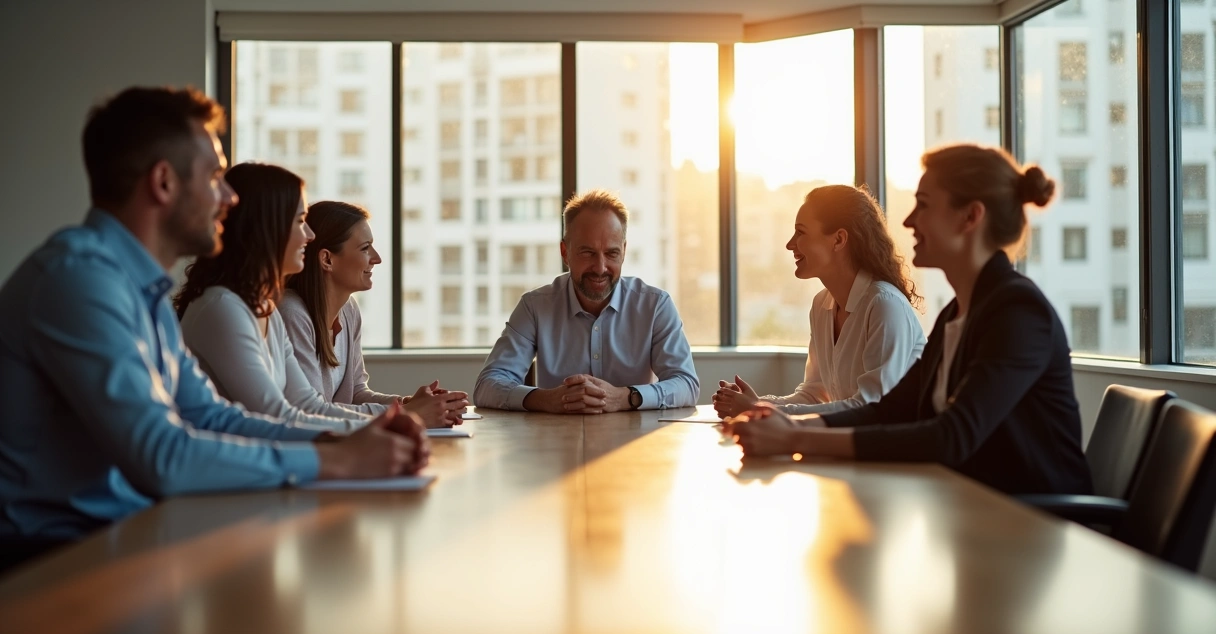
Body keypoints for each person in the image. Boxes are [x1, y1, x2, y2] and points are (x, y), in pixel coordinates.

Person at [0, 87, 428, 543]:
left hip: (117, 532)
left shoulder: (142, 290)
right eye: (214, 177)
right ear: (164, 182)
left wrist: (344, 442)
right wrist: (337, 460)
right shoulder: (79, 281)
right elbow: (162, 456)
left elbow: (211, 416)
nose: (228, 197)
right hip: (50, 554)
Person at [726, 144, 1093, 496]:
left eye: (924, 205)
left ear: (970, 217)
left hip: (1036, 520)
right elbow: (888, 411)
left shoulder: (1019, 311)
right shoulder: (956, 313)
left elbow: (950, 436)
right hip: (971, 507)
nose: (908, 220)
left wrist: (794, 437)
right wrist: (786, 424)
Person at [175, 164, 387, 431]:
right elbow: (276, 415)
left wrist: (398, 419)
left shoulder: (267, 309)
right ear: (266, 229)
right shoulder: (222, 309)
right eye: (299, 221)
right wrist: (394, 422)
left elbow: (307, 405)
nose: (310, 236)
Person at [474, 189, 699, 413]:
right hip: (555, 435)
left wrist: (625, 397)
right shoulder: (535, 307)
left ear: (623, 251)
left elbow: (686, 384)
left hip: (635, 435)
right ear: (565, 252)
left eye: (611, 253)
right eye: (587, 253)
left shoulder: (655, 306)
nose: (600, 268)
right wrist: (547, 399)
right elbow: (487, 386)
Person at [712, 185, 925, 419]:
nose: (790, 244)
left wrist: (759, 410)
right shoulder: (821, 305)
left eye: (800, 233)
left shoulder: (884, 305)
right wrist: (757, 404)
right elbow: (814, 395)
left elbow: (870, 407)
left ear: (838, 239)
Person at [280, 200, 468, 425]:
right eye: (365, 248)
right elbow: (313, 411)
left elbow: (356, 393)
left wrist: (407, 404)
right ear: (327, 259)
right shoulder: (292, 313)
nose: (377, 258)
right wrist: (408, 413)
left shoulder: (349, 310)